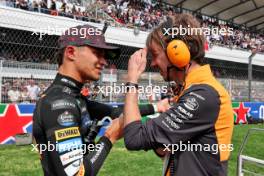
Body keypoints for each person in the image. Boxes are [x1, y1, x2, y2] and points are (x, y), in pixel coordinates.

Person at [123, 13, 234, 176]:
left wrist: (132, 80)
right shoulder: (193, 91)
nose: (152, 63)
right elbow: (164, 149)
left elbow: (134, 138)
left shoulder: (204, 94)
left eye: (155, 55)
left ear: (176, 51)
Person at [33, 24, 123, 176]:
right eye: (97, 53)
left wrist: (158, 108)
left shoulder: (73, 97)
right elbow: (77, 174)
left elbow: (116, 112)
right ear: (71, 52)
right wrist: (109, 137)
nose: (104, 62)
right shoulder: (59, 103)